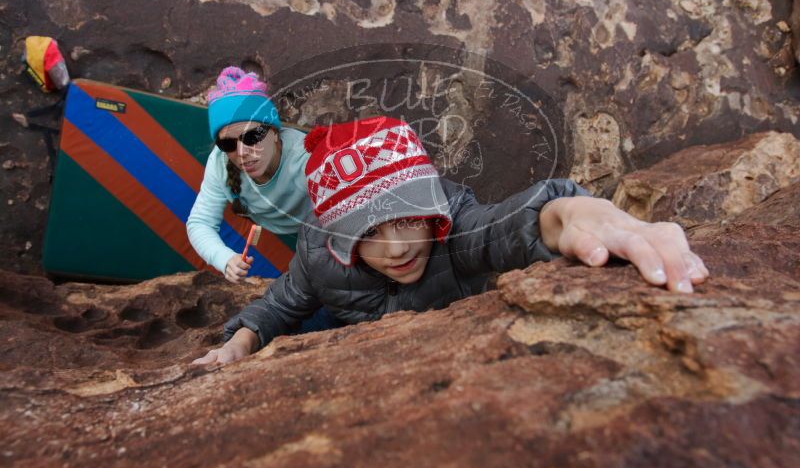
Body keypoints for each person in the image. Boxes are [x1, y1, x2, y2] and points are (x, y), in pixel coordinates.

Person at [192, 117, 709, 365]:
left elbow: (511, 225)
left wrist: (573, 212)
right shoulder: (316, 253)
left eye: (409, 219)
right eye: (368, 233)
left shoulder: (453, 229)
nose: (398, 248)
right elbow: (280, 305)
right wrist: (242, 341)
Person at [186, 66, 312, 283]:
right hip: (265, 231)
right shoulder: (220, 162)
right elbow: (200, 222)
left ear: (274, 133)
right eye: (228, 143)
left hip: (316, 230)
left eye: (252, 136)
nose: (243, 152)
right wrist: (224, 259)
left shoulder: (305, 157)